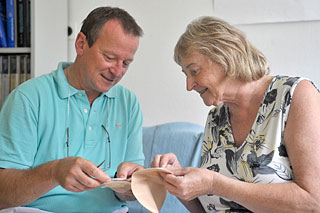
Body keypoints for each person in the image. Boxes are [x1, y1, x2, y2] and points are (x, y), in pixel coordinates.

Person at [151, 16, 320, 212]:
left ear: (224, 58)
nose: (189, 86)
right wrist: (178, 181)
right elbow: (211, 208)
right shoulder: (216, 119)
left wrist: (215, 184)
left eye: (194, 71)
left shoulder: (295, 96)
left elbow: (313, 201)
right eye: (185, 75)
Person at [0, 6, 145, 212]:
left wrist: (132, 184)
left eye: (126, 63)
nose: (117, 71)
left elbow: (131, 190)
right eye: (110, 58)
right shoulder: (28, 98)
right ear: (81, 44)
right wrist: (54, 172)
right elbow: (3, 194)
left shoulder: (128, 102)